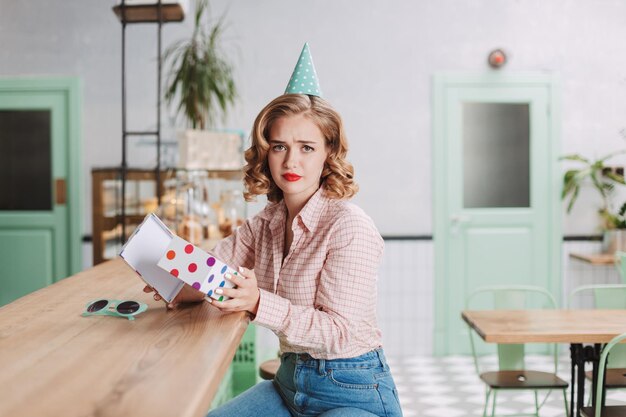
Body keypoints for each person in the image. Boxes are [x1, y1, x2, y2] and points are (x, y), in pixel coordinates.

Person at [145, 43, 402, 417]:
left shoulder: (349, 226)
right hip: (288, 384)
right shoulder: (265, 223)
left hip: (352, 390)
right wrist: (175, 282)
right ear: (265, 151)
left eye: (307, 147)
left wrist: (258, 302)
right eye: (279, 146)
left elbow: (340, 333)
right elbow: (213, 269)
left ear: (329, 153)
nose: (291, 160)